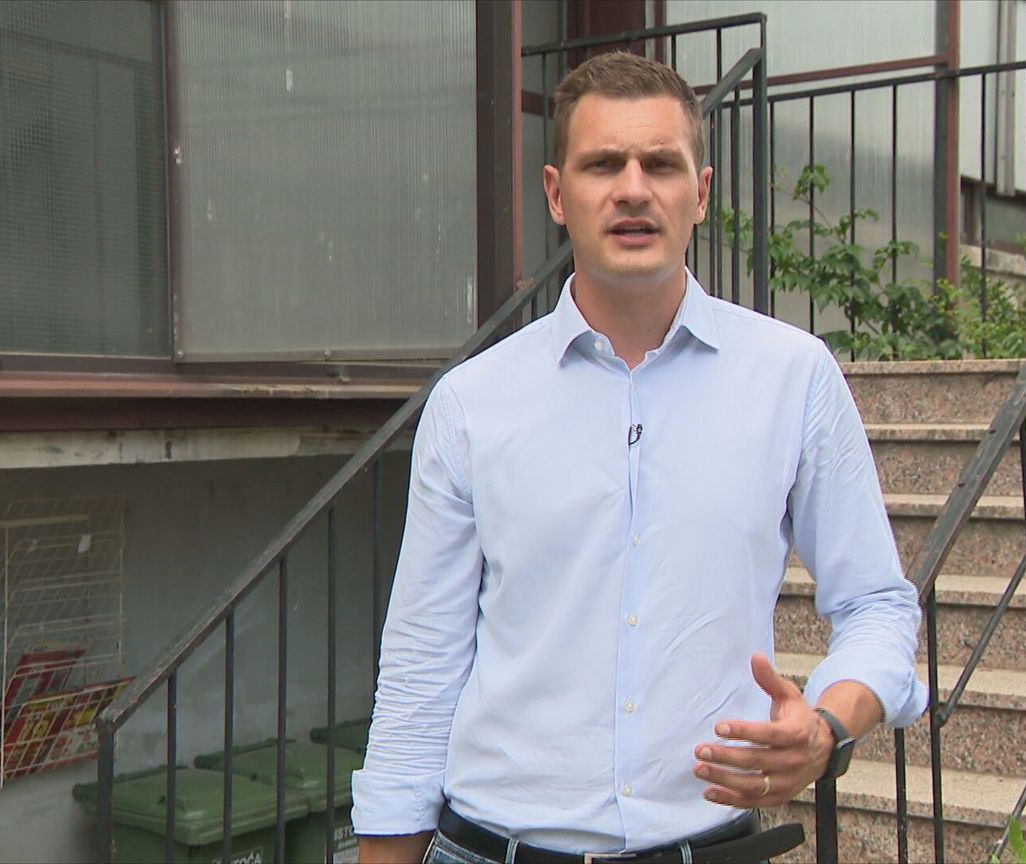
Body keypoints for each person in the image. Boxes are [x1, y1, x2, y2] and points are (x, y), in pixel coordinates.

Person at [352, 51, 927, 864]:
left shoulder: (792, 380)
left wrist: (830, 723)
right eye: (602, 165)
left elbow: (877, 604)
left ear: (701, 191)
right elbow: (421, 667)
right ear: (557, 194)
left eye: (660, 164)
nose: (632, 189)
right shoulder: (472, 405)